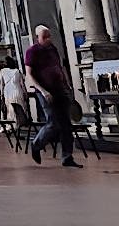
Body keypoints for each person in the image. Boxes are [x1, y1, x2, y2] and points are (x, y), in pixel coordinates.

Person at [25, 25, 82, 167]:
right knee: (54, 123)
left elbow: (60, 67)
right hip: (45, 92)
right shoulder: (32, 51)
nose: (48, 39)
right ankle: (36, 144)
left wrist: (68, 85)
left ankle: (67, 157)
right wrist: (43, 91)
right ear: (37, 37)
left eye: (49, 36)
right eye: (45, 37)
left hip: (60, 90)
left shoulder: (53, 49)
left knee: (66, 125)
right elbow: (30, 74)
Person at [0, 55, 26, 121]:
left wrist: (1, 94)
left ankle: (11, 126)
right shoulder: (17, 71)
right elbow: (22, 84)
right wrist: (25, 93)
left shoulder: (2, 71)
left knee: (10, 109)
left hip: (8, 92)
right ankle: (19, 123)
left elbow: (2, 84)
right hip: (17, 90)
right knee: (19, 109)